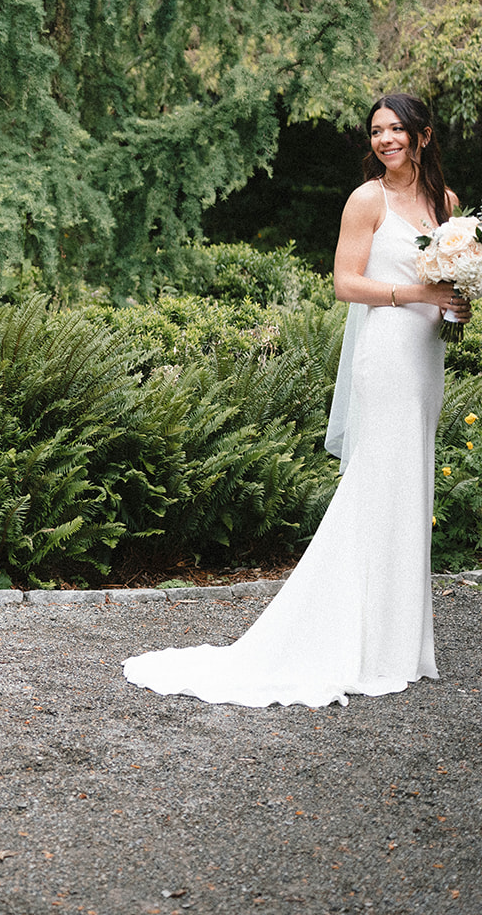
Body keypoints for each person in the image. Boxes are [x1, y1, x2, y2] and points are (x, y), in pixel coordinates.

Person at [123, 93, 472, 707]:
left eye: (396, 130)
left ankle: (395, 644)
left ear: (422, 136)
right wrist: (418, 295)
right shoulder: (368, 200)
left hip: (425, 359)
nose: (385, 139)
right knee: (375, 483)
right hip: (385, 355)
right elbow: (345, 284)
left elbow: (449, 284)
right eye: (376, 131)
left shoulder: (447, 206)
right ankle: (342, 637)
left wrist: (458, 301)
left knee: (408, 484)